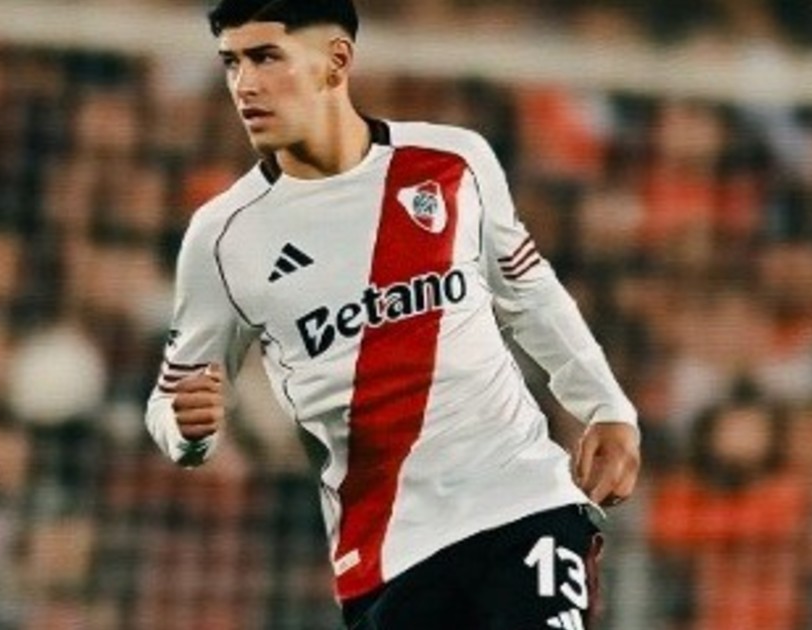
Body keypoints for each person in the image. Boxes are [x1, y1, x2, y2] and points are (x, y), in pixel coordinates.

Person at [143, 1, 642, 627]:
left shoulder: (453, 160)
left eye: (266, 58)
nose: (244, 84)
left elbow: (527, 290)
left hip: (521, 503)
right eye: (231, 63)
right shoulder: (221, 236)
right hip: (388, 553)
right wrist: (188, 431)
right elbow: (172, 401)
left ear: (336, 62)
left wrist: (607, 406)